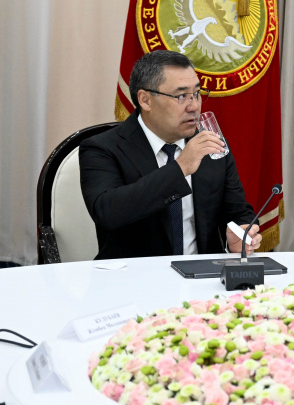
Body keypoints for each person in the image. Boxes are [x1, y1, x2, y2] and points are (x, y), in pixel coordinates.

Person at [80, 50, 260, 259]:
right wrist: (180, 168)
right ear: (145, 100)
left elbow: (237, 212)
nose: (194, 106)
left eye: (197, 93)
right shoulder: (102, 148)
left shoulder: (210, 145)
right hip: (133, 274)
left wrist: (240, 235)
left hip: (202, 274)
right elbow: (107, 212)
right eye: (181, 96)